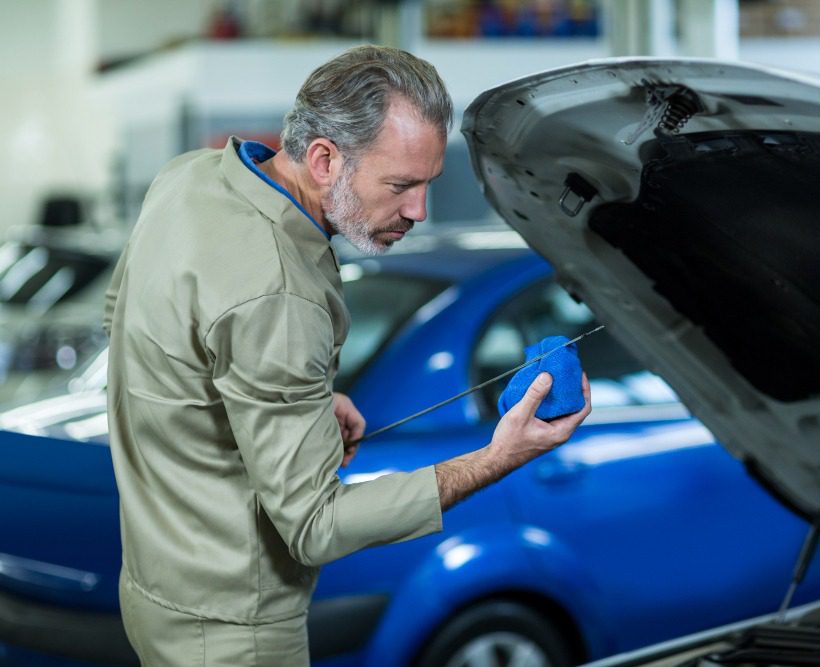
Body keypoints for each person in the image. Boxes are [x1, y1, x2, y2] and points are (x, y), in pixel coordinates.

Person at [102, 44, 591, 666]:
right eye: (401, 185)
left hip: (151, 588)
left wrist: (290, 398)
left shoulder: (189, 178)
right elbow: (315, 528)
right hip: (232, 633)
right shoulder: (277, 292)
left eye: (427, 185)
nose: (418, 211)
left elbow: (129, 321)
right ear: (325, 159)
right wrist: (497, 457)